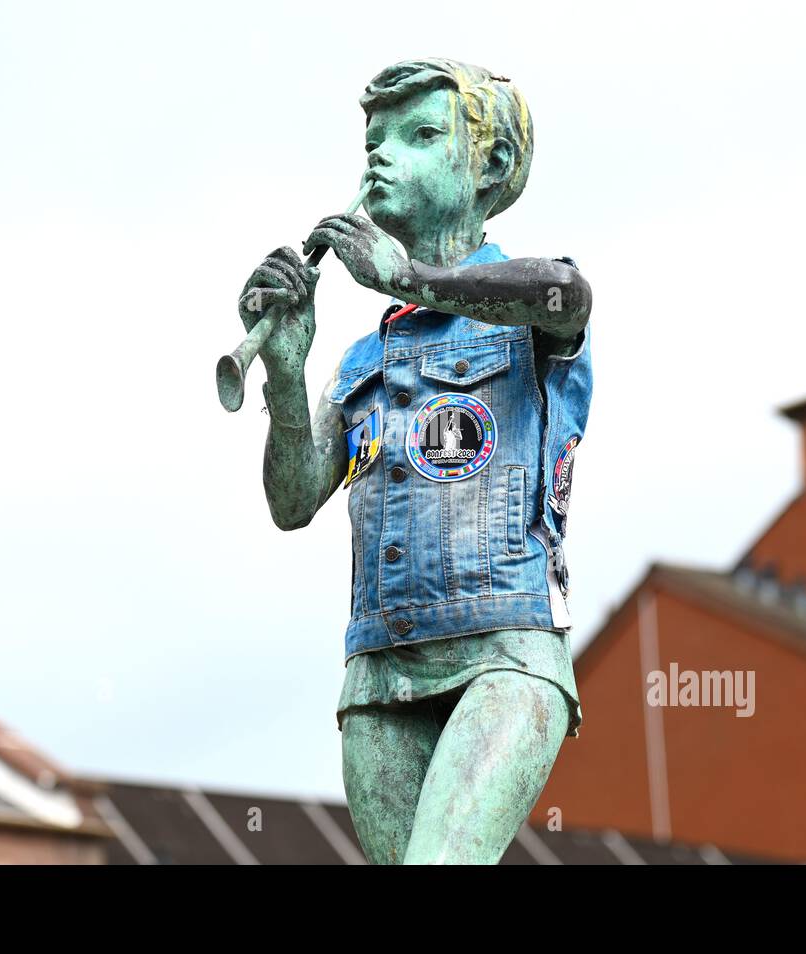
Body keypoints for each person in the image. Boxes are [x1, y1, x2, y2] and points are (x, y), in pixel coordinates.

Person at [236, 58, 593, 864]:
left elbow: (567, 294)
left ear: (490, 167)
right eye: (374, 141)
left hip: (503, 650)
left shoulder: (531, 305)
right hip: (380, 676)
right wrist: (287, 375)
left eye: (421, 135)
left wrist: (408, 276)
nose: (381, 156)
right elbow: (292, 502)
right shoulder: (365, 358)